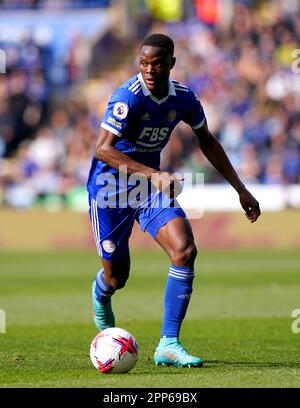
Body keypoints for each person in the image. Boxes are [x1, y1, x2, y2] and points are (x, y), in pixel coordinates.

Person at [86, 33, 261, 368]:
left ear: (171, 63)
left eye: (157, 63)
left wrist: (240, 188)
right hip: (109, 191)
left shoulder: (183, 99)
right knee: (117, 277)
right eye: (144, 63)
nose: (149, 69)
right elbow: (102, 150)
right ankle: (101, 291)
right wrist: (153, 174)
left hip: (149, 190)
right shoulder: (128, 97)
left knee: (185, 250)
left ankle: (168, 343)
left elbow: (207, 142)